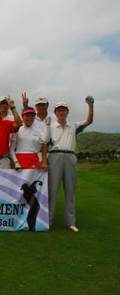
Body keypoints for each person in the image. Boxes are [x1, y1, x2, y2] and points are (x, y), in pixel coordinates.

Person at [48, 97, 94, 232]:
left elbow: (89, 121)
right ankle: (48, 221)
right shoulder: (50, 127)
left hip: (70, 156)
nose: (61, 112)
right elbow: (44, 143)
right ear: (55, 113)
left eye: (64, 110)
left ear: (67, 112)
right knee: (52, 190)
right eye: (59, 110)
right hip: (54, 156)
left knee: (70, 190)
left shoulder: (74, 126)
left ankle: (70, 222)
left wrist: (90, 106)